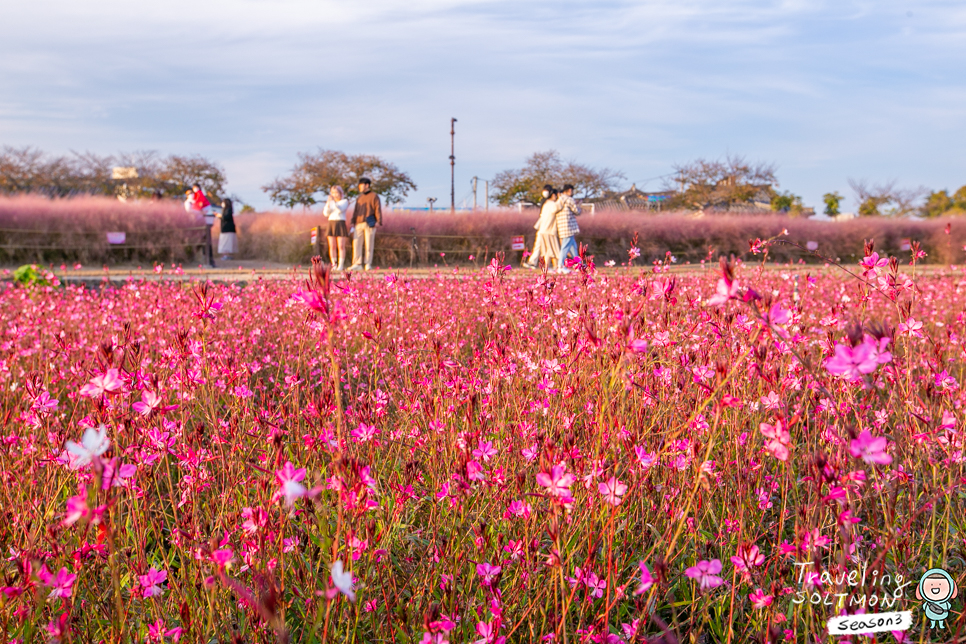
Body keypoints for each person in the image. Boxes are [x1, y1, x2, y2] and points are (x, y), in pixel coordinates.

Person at [347, 177, 382, 271]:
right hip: (358, 223)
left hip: (370, 223)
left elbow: (377, 209)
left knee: (369, 244)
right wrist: (352, 222)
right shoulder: (359, 197)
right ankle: (357, 263)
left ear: (367, 185)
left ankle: (368, 263)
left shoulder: (374, 196)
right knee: (356, 243)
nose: (359, 187)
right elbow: (356, 211)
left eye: (361, 185)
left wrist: (378, 221)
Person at [525, 188, 561, 270]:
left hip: (543, 229)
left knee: (545, 249)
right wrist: (561, 199)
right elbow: (557, 208)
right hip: (548, 230)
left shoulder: (546, 204)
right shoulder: (552, 204)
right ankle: (557, 266)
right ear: (553, 195)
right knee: (552, 249)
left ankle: (541, 265)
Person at [555, 184, 581, 274]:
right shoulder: (569, 199)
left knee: (573, 247)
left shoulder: (559, 200)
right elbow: (576, 211)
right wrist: (580, 207)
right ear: (569, 190)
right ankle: (560, 265)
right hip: (568, 227)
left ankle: (579, 264)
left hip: (562, 226)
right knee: (565, 247)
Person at [324, 186, 349, 270]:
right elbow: (326, 213)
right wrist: (328, 203)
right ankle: (334, 264)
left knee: (341, 245)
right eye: (333, 192)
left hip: (340, 223)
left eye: (336, 192)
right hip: (331, 223)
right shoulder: (330, 202)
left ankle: (340, 265)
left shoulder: (344, 201)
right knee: (332, 245)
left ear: (340, 193)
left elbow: (339, 210)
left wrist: (333, 202)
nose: (334, 194)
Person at [191, 183, 216, 268]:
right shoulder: (198, 194)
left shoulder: (198, 194)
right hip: (204, 216)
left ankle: (203, 257)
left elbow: (200, 204)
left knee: (204, 239)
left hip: (204, 216)